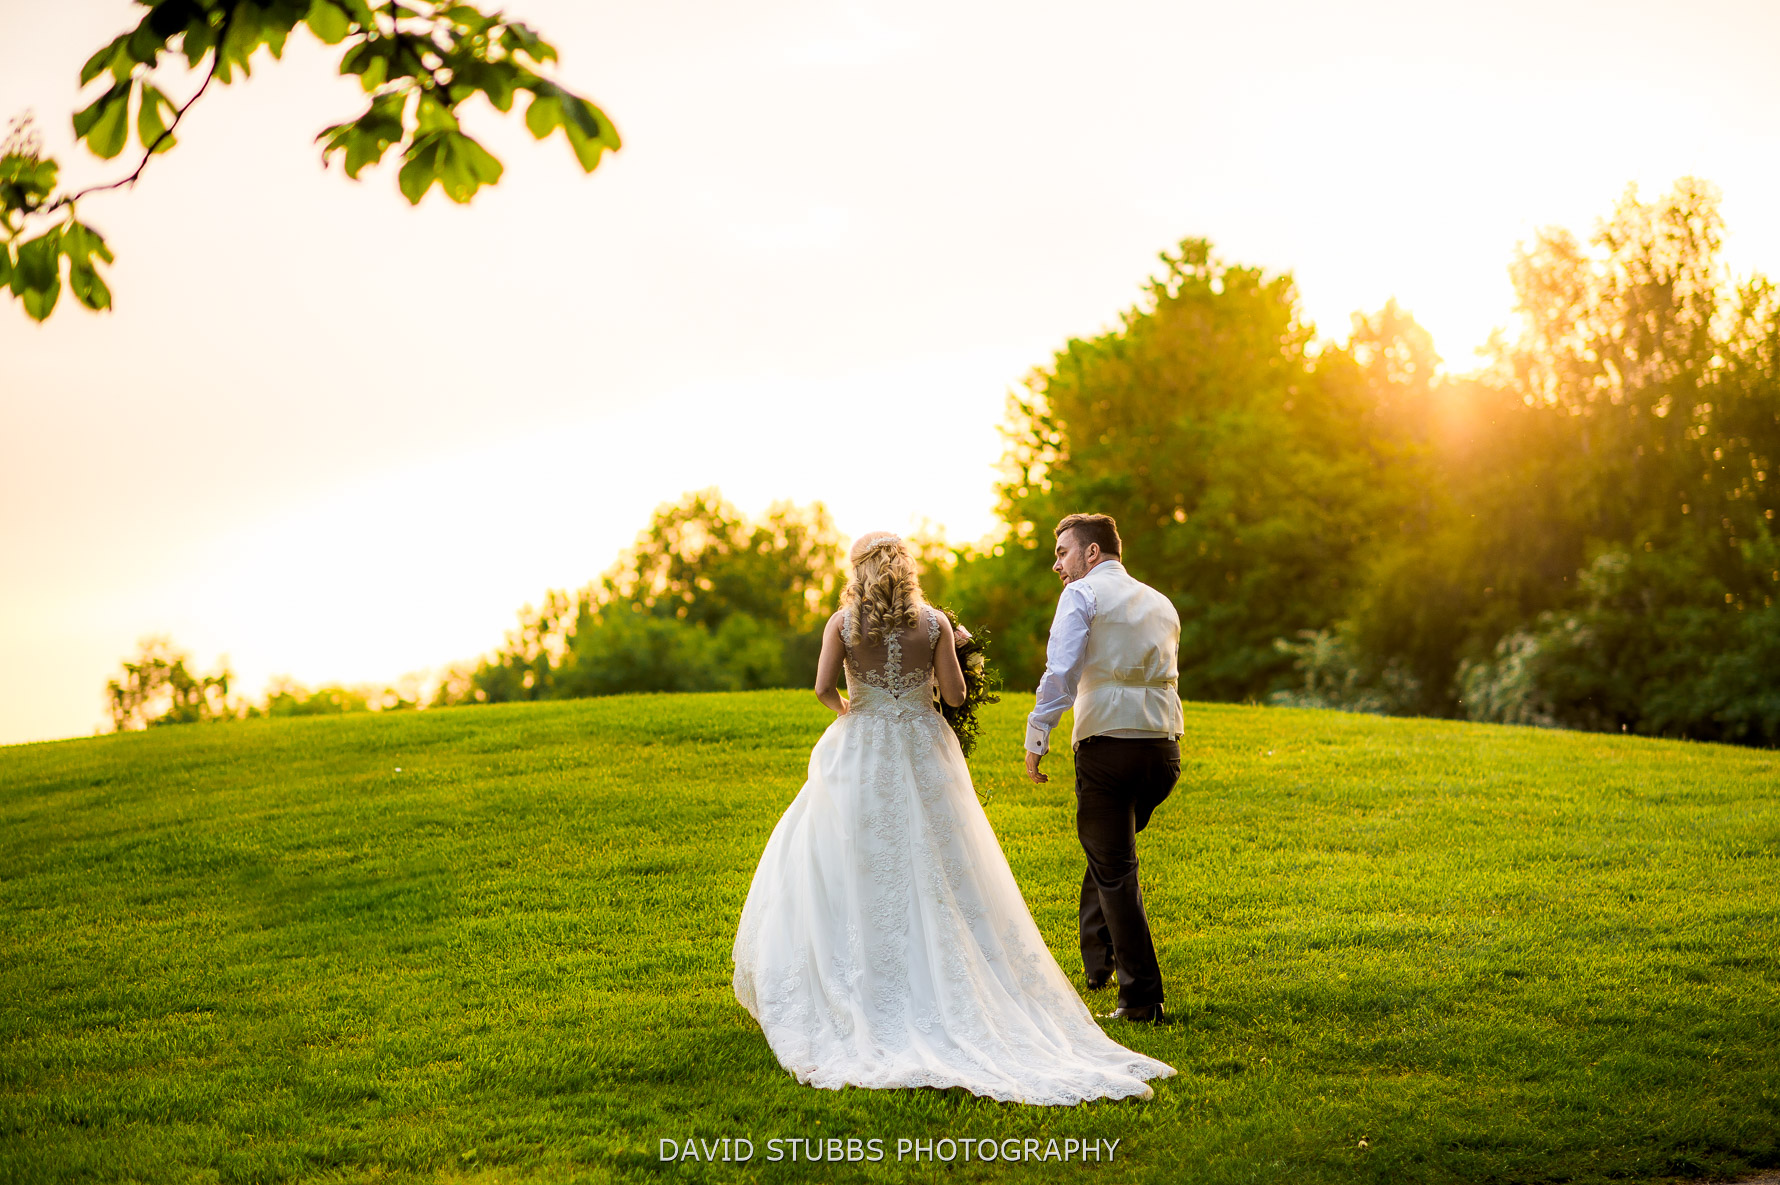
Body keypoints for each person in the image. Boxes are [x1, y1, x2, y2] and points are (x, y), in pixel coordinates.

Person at [732, 530, 1175, 1104]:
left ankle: (856, 974)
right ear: (905, 567)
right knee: (940, 859)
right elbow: (957, 696)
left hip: (860, 747)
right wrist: (945, 668)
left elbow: (821, 687)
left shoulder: (841, 624)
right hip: (923, 744)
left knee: (851, 853)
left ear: (859, 569)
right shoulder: (934, 622)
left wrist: (852, 710)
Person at [1024, 513, 1183, 1024]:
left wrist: (1038, 734)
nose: (1057, 565)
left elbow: (1061, 671)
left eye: (1063, 553)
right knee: (1109, 851)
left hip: (1107, 747)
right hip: (1162, 751)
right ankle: (1098, 961)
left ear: (1092, 554)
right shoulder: (1160, 601)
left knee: (1115, 870)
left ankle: (1141, 1000)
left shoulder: (1081, 596)